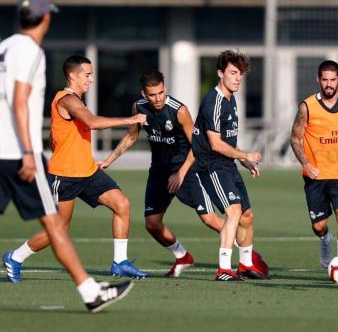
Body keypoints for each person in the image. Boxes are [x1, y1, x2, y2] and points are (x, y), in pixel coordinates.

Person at [0, 0, 133, 316]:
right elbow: (20, 101)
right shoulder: (31, 51)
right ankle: (90, 292)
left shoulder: (2, 48)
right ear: (45, 18)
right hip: (20, 154)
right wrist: (29, 153)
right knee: (56, 226)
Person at [1, 55, 148, 282]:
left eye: (91, 74)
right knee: (58, 230)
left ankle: (120, 263)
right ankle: (15, 258)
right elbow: (92, 123)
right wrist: (131, 120)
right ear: (72, 75)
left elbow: (56, 135)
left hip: (88, 172)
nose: (91, 79)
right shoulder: (67, 100)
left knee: (122, 204)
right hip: (65, 176)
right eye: (87, 75)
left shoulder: (77, 100)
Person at [98, 70, 227, 277]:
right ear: (143, 94)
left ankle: (248, 254)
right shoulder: (138, 108)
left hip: (187, 168)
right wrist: (109, 160)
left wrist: (181, 174)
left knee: (210, 219)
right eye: (152, 95)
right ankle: (182, 256)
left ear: (165, 88)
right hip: (159, 170)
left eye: (161, 93)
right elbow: (131, 137)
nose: (158, 99)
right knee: (152, 224)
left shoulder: (179, 110)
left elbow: (198, 146)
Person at [192, 49, 267, 281]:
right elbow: (215, 144)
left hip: (228, 165)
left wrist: (243, 161)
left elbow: (227, 140)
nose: (238, 78)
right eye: (233, 73)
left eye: (240, 74)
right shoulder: (212, 101)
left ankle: (245, 265)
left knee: (247, 215)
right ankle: (224, 268)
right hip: (211, 166)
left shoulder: (231, 99)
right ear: (220, 73)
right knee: (233, 211)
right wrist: (246, 154)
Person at [289, 60, 338, 268]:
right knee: (319, 226)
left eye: (333, 80)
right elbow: (295, 138)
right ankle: (325, 239)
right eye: (324, 80)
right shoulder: (307, 107)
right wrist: (305, 163)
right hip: (316, 175)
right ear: (318, 79)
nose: (329, 84)